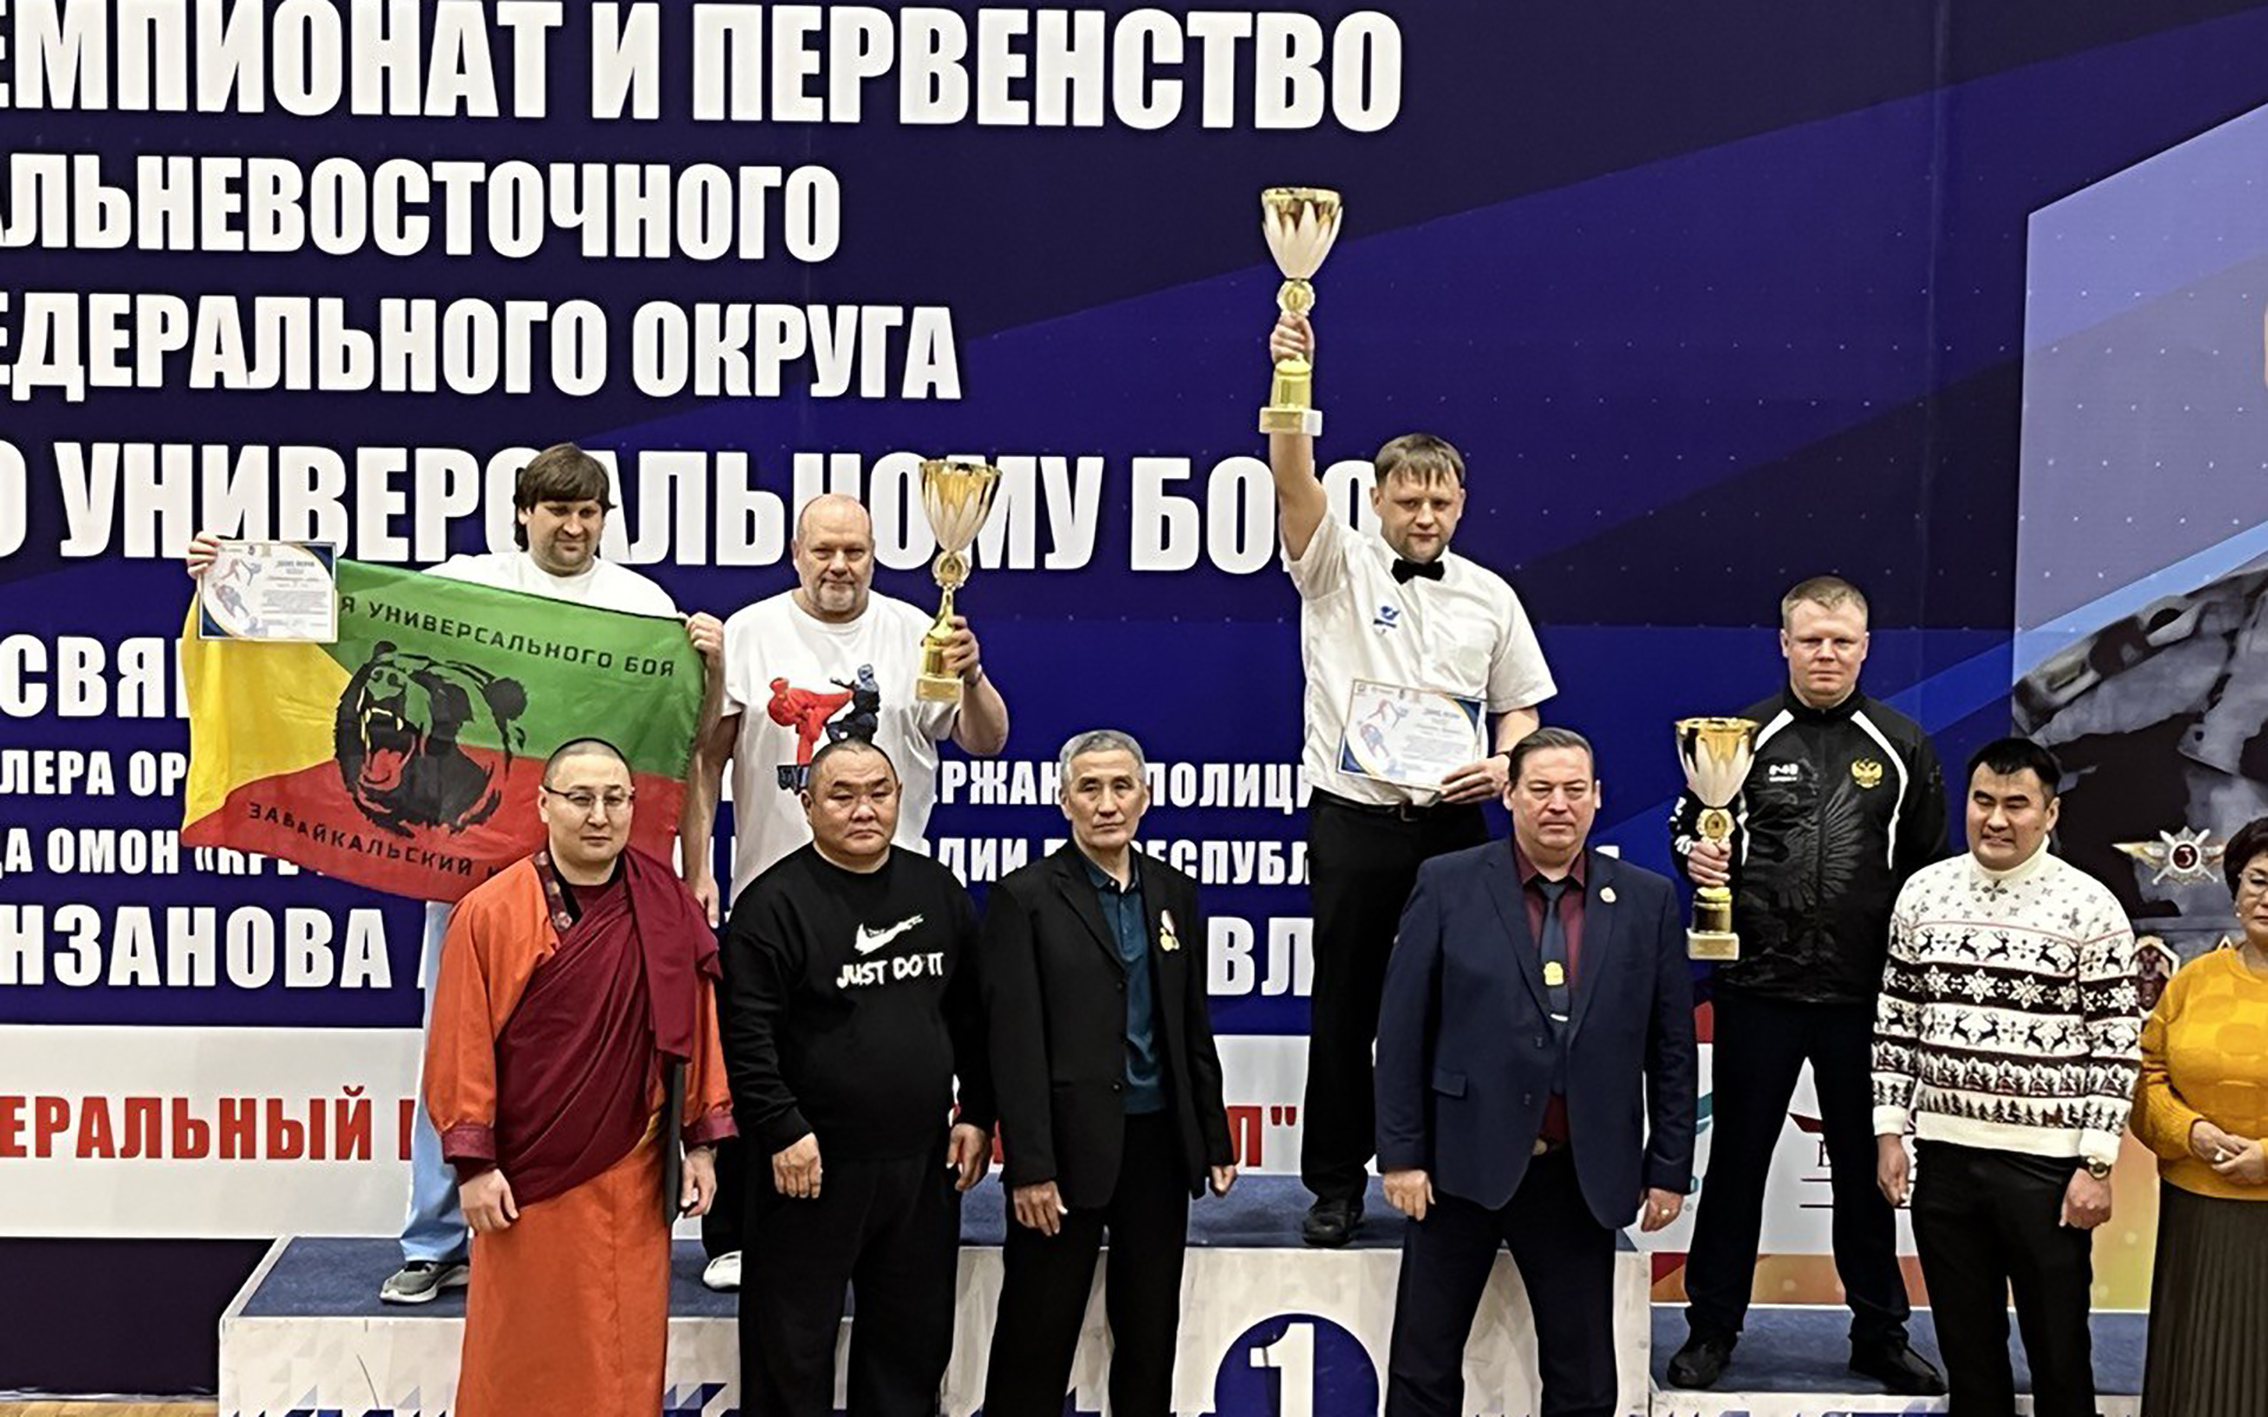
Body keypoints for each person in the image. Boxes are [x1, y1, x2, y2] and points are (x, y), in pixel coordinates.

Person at [188, 442, 726, 1304]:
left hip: (597, 878)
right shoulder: (469, 583)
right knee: (457, 1044)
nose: (574, 527)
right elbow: (347, 606)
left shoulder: (642, 605)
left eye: (588, 512)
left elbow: (689, 748)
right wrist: (234, 574)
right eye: (557, 510)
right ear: (523, 514)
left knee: (598, 1053)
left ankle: (580, 1226)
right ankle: (435, 1236)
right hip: (475, 876)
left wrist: (710, 661)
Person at [1266, 312, 1558, 1247]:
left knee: (1457, 1004)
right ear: (1377, 500)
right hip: (1355, 819)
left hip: (1451, 829)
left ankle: (1450, 1171)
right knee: (1345, 1006)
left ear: (1461, 503)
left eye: (1438, 501)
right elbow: (1292, 478)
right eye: (1407, 500)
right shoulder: (1335, 564)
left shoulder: (1491, 595)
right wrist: (1292, 381)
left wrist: (1506, 762)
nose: (1423, 516)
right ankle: (1333, 1184)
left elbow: (1521, 707)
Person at [686, 492, 1010, 1289]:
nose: (839, 565)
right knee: (761, 1055)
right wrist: (696, 867)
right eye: (824, 550)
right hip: (774, 895)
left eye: (854, 551)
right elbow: (705, 758)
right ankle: (738, 1232)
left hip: (892, 894)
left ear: (874, 555)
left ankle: (891, 1231)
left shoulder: (916, 630)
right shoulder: (752, 631)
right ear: (796, 553)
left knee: (885, 1062)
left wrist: (971, 675)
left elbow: (986, 738)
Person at [1666, 575, 1946, 1393]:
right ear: (1784, 644)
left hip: (1863, 999)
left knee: (1865, 1172)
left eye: (1842, 641)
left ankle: (1879, 1332)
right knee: (1736, 1164)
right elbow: (1690, 825)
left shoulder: (1902, 745)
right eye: (1812, 639)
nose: (1827, 654)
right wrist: (1696, 854)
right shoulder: (1738, 738)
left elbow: (1923, 871)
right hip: (1757, 988)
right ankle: (1712, 1328)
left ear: (1865, 647)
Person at [1375, 728, 1696, 1417]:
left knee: (1584, 1382)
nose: (1558, 804)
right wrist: (1401, 1154)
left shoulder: (1647, 901)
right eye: (1541, 788)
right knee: (1423, 1370)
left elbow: (1672, 1046)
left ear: (1597, 797)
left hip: (1579, 1174)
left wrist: (1669, 1166)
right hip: (1457, 1168)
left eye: (1574, 789)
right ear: (1511, 796)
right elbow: (1402, 1031)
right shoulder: (1447, 883)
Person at [421, 738, 732, 1417]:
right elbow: (458, 1044)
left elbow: (699, 1026)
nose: (599, 816)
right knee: (522, 1351)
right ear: (543, 804)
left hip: (636, 1171)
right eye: (581, 798)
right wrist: (474, 1167)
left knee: (624, 1350)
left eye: (615, 799)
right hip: (529, 1182)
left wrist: (702, 1144)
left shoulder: (666, 903)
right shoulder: (491, 911)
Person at [719, 738, 993, 1417]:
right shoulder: (770, 905)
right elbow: (745, 1039)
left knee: (910, 1351)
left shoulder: (936, 890)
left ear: (900, 797)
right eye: (841, 795)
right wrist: (781, 1129)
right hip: (806, 1166)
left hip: (921, 1166)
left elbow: (973, 1016)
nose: (863, 809)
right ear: (807, 804)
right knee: (790, 1356)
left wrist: (976, 1113)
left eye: (879, 792)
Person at [1873, 737, 2141, 1417]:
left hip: (2047, 1170)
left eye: (2016, 804)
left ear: (2050, 813)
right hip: (1944, 1160)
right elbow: (1896, 1020)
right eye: (1983, 801)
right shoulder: (1922, 893)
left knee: (2059, 1354)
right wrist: (1889, 1131)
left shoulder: (2091, 906)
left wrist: (2097, 1164)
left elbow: (2117, 1044)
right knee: (1968, 1356)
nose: (1995, 819)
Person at [980, 730, 1239, 1417]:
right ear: (1064, 800)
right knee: (1035, 1337)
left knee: (1149, 1335)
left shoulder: (1173, 891)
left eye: (1121, 786)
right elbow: (1013, 1043)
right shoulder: (1024, 898)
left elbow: (1191, 1026)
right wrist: (1030, 1166)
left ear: (1145, 797)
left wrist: (1211, 1134)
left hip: (1157, 1145)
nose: (1106, 804)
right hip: (1064, 1152)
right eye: (1089, 788)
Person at [2131, 815, 2268, 1415]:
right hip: (2197, 1213)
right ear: (2236, 888)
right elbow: (2147, 1076)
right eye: (2259, 881)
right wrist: (2192, 1132)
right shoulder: (2193, 979)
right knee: (2197, 1371)